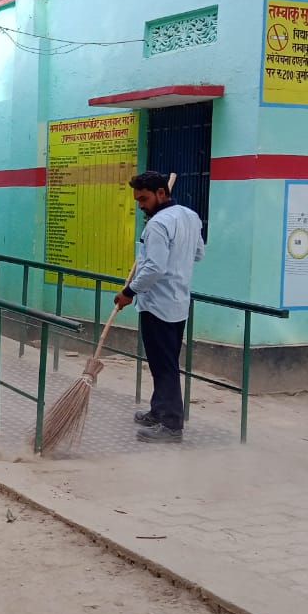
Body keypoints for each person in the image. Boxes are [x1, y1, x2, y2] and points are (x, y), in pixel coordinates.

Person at [114, 171, 204, 443]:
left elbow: (154, 267)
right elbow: (199, 253)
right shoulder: (190, 217)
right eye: (138, 200)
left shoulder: (157, 225)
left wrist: (129, 291)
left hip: (157, 305)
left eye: (143, 199)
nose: (140, 205)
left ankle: (171, 425)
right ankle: (159, 410)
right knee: (164, 362)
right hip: (178, 302)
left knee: (164, 366)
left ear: (161, 193)